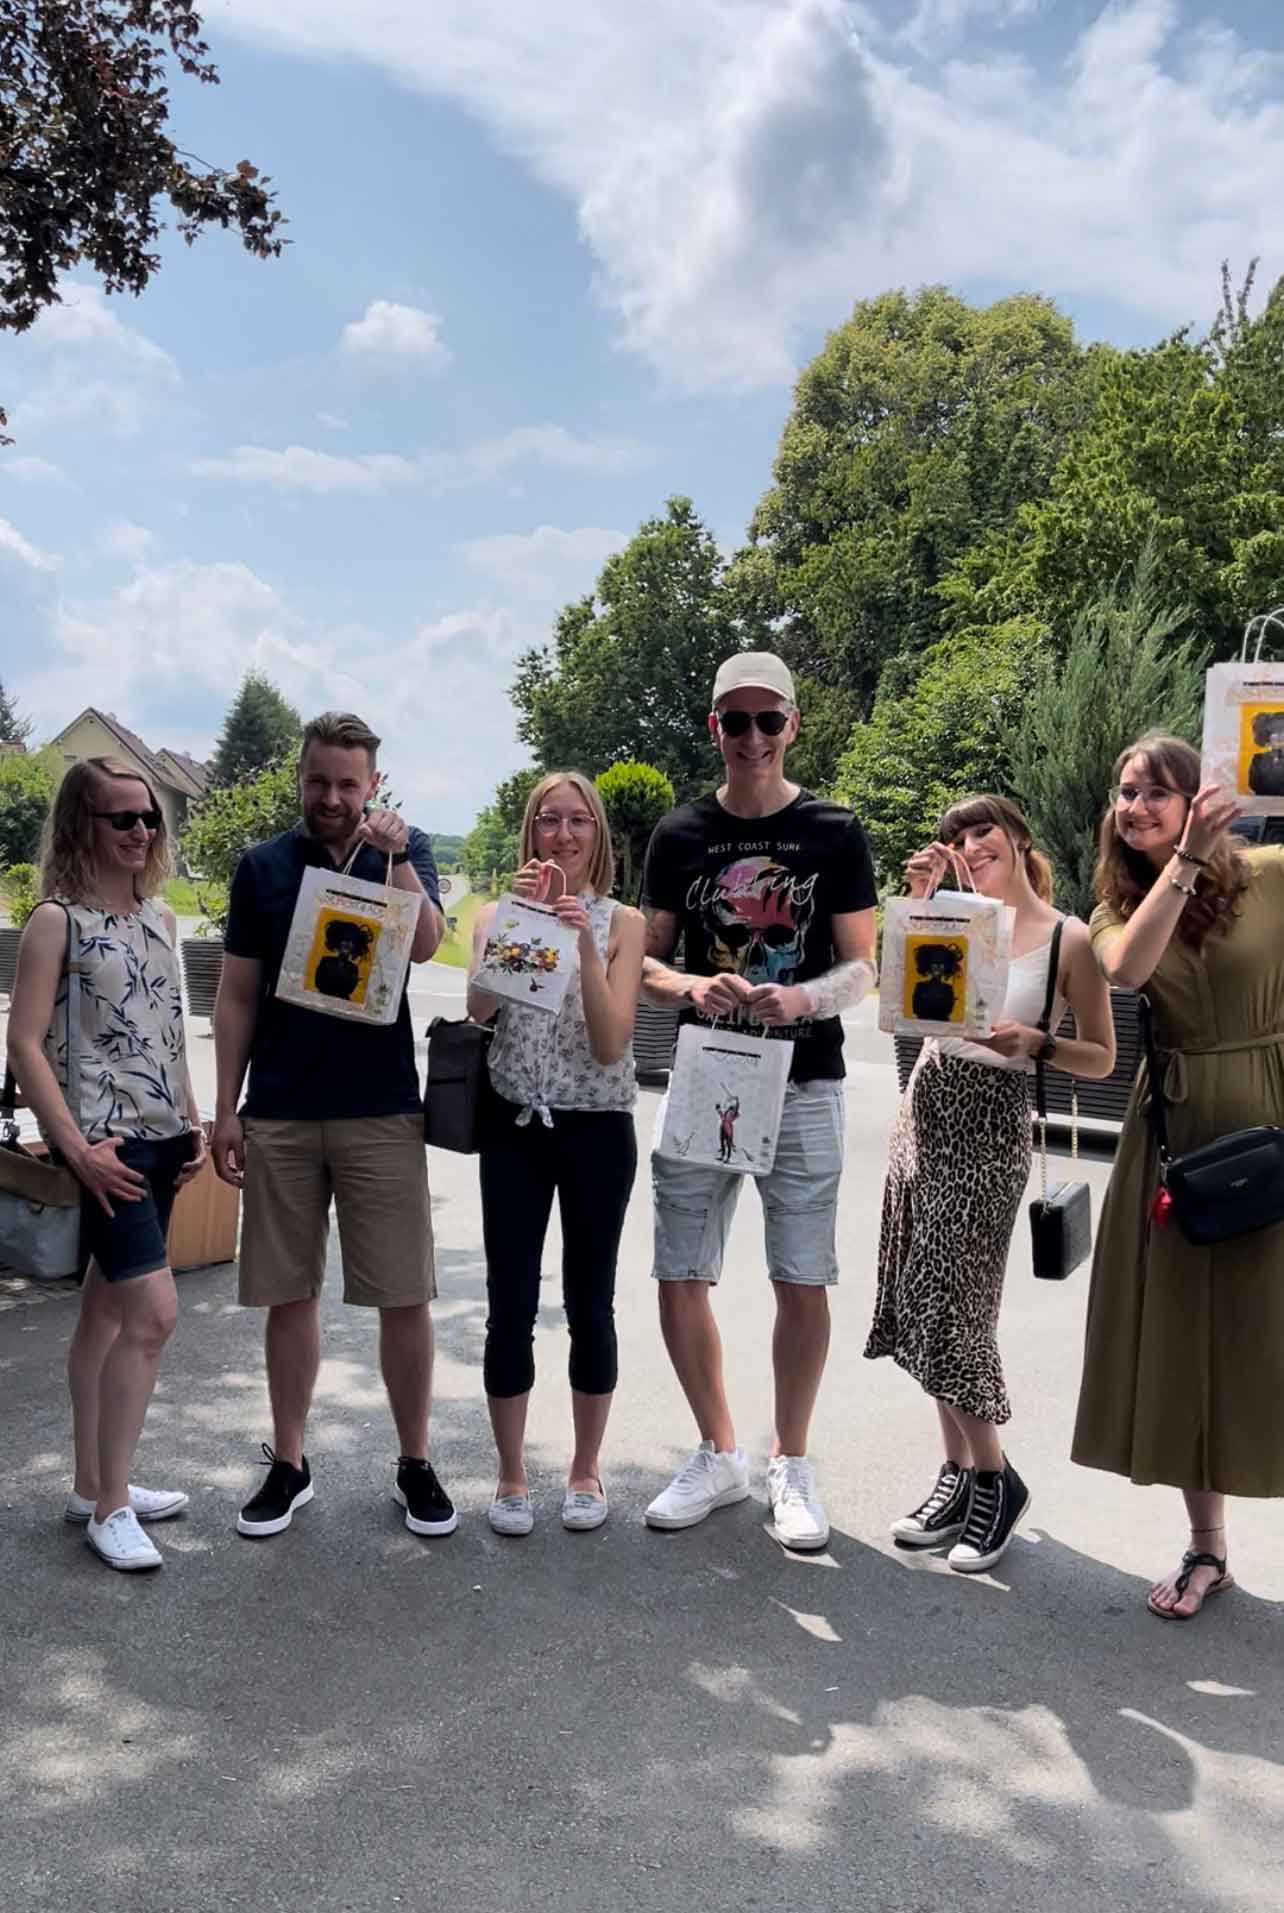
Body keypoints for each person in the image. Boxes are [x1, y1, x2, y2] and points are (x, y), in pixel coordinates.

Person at [639, 652, 878, 1551]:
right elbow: (648, 958)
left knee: (801, 1275)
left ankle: (792, 1460)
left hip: (806, 1076)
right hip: (708, 1071)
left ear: (793, 725)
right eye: (733, 721)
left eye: (766, 720)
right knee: (680, 1269)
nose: (750, 738)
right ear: (714, 730)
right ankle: (718, 1451)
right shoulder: (680, 834)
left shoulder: (833, 829)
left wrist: (806, 997)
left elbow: (864, 962)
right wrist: (692, 986)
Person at [211, 711, 454, 1540]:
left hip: (379, 1106)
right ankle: (289, 1461)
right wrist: (225, 1109)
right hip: (280, 1108)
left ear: (373, 785)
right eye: (319, 780)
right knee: (289, 1293)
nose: (332, 797)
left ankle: (415, 1462)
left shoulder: (404, 849)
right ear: (301, 776)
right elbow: (236, 994)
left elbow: (425, 946)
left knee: (404, 1294)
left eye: (349, 784)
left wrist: (395, 858)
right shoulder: (263, 867)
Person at [865, 796, 1115, 1572]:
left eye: (982, 833)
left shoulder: (1068, 937)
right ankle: (961, 1472)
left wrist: (1040, 1041)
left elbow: (1103, 1056)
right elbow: (899, 1000)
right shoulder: (950, 917)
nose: (969, 846)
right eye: (955, 837)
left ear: (1017, 838)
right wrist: (916, 905)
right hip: (929, 1101)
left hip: (994, 1117)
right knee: (915, 1291)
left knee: (954, 1304)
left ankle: (998, 1478)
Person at [1072, 733, 1284, 1620]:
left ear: (1198, 794)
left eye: (1160, 790)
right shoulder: (1116, 908)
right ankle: (1209, 1550)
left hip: (1273, 1104)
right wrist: (1187, 859)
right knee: (1196, 1338)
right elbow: (1128, 970)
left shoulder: (1272, 872)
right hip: (1184, 1128)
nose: (1139, 804)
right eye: (1128, 792)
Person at [6, 758, 207, 1572]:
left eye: (149, 817)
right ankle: (113, 1508)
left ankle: (94, 1484)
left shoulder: (159, 917)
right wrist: (74, 1149)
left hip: (161, 1140)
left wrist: (192, 1116)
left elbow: (168, 1023)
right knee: (154, 1314)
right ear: (79, 826)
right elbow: (24, 1045)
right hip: (106, 1150)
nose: (139, 832)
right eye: (120, 818)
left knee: (103, 1312)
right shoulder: (58, 920)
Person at [467, 773, 645, 1536]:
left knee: (589, 1302)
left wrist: (579, 938)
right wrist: (524, 925)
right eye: (550, 821)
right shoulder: (495, 914)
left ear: (598, 834)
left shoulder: (623, 923)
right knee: (509, 1303)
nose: (564, 835)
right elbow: (478, 1009)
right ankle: (510, 1476)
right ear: (531, 832)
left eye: (579, 821)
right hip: (513, 1124)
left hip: (597, 1125)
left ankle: (584, 1469)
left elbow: (611, 1045)